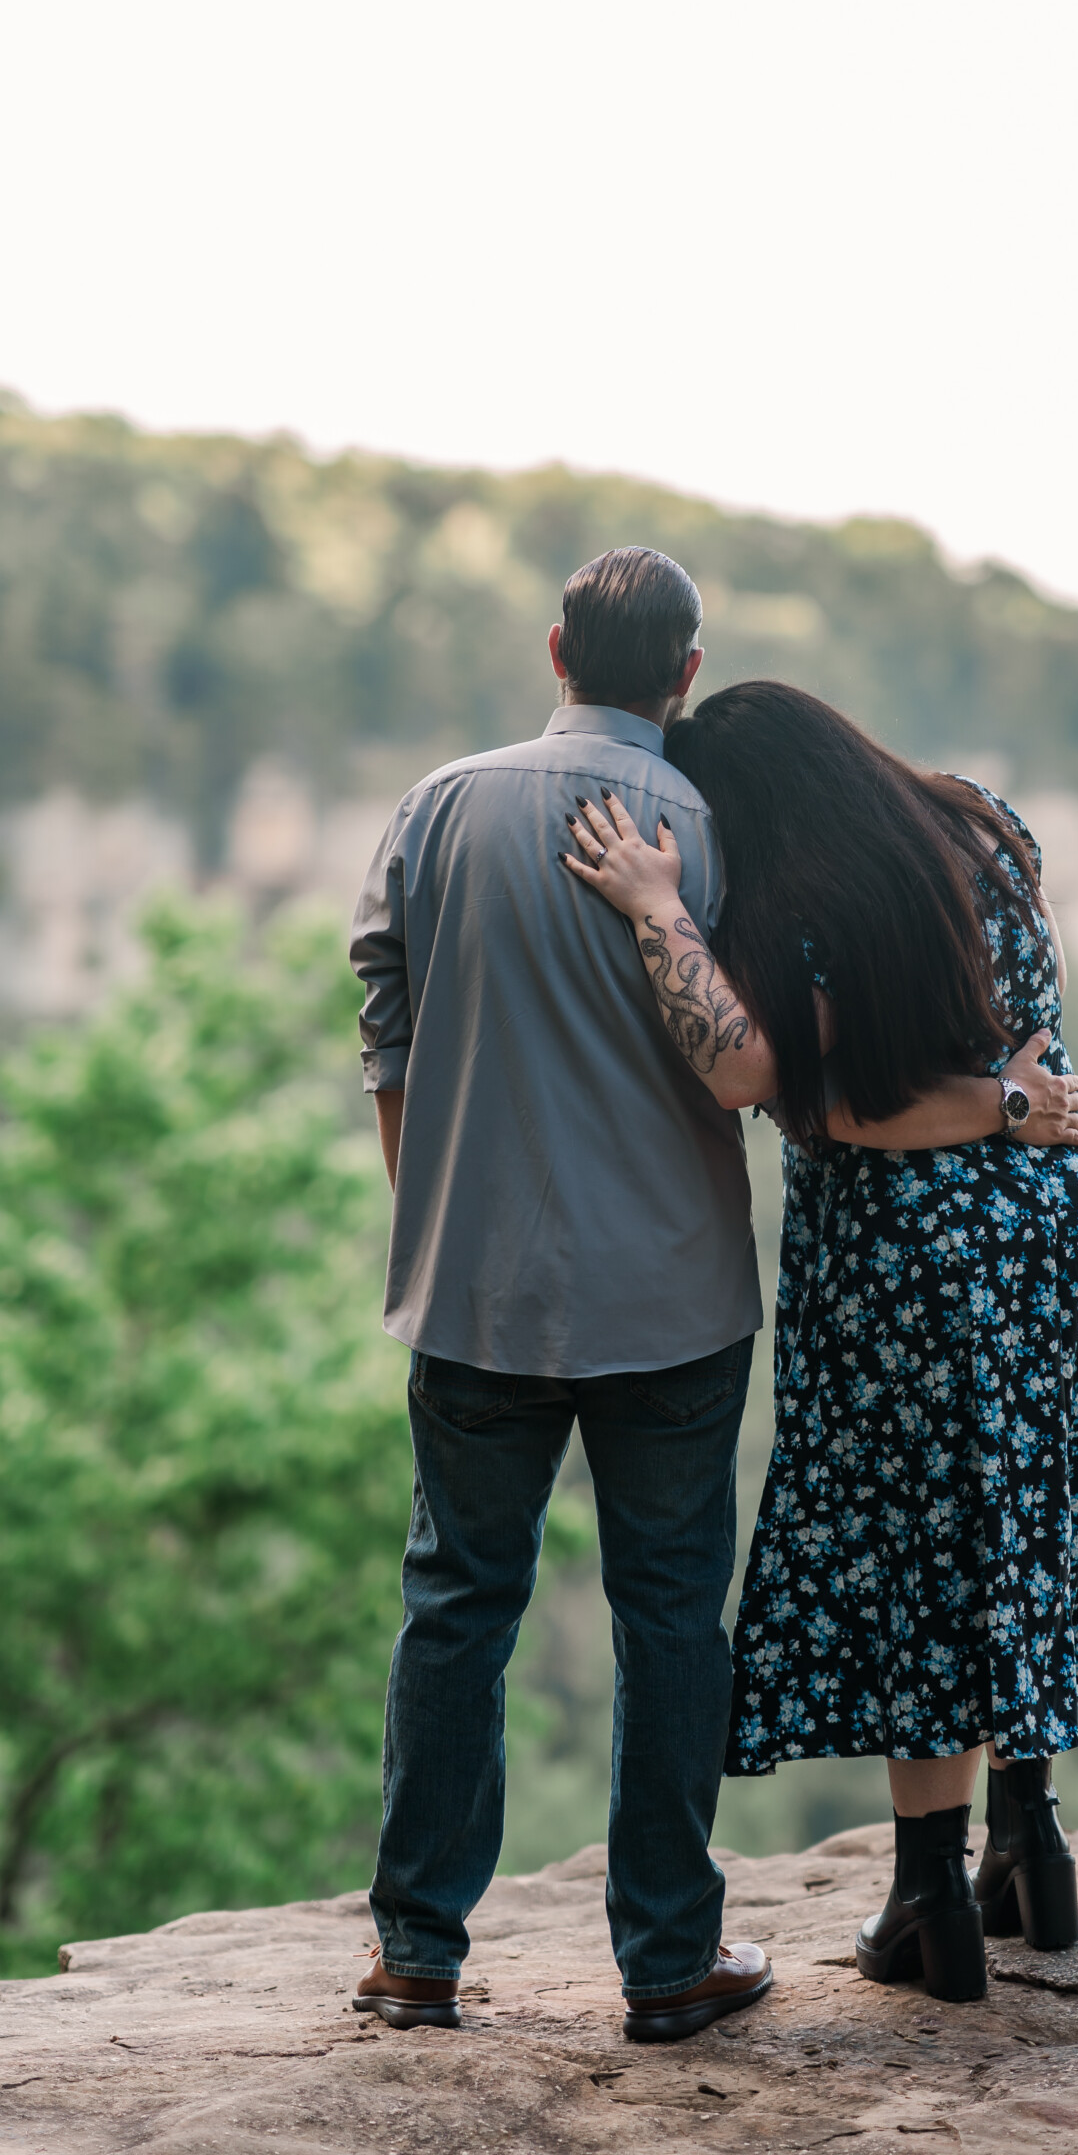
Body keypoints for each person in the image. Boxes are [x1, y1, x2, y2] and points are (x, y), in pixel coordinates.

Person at [563, 678, 1078, 2005]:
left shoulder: (789, 919)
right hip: (1066, 1220)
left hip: (910, 1266)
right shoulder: (983, 828)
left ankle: (929, 1898)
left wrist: (661, 909)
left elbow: (805, 1102)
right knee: (1027, 1513)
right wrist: (1006, 1106)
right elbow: (1030, 1055)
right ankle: (1031, 1843)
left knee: (924, 1556)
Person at [347, 549, 774, 2044]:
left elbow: (384, 1021)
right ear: (686, 676)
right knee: (670, 1618)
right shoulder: (709, 826)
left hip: (475, 1293)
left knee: (455, 1608)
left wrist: (437, 1215)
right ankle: (669, 1964)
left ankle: (417, 1954)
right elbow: (753, 1062)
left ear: (553, 652)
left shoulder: (437, 806)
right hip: (670, 1298)